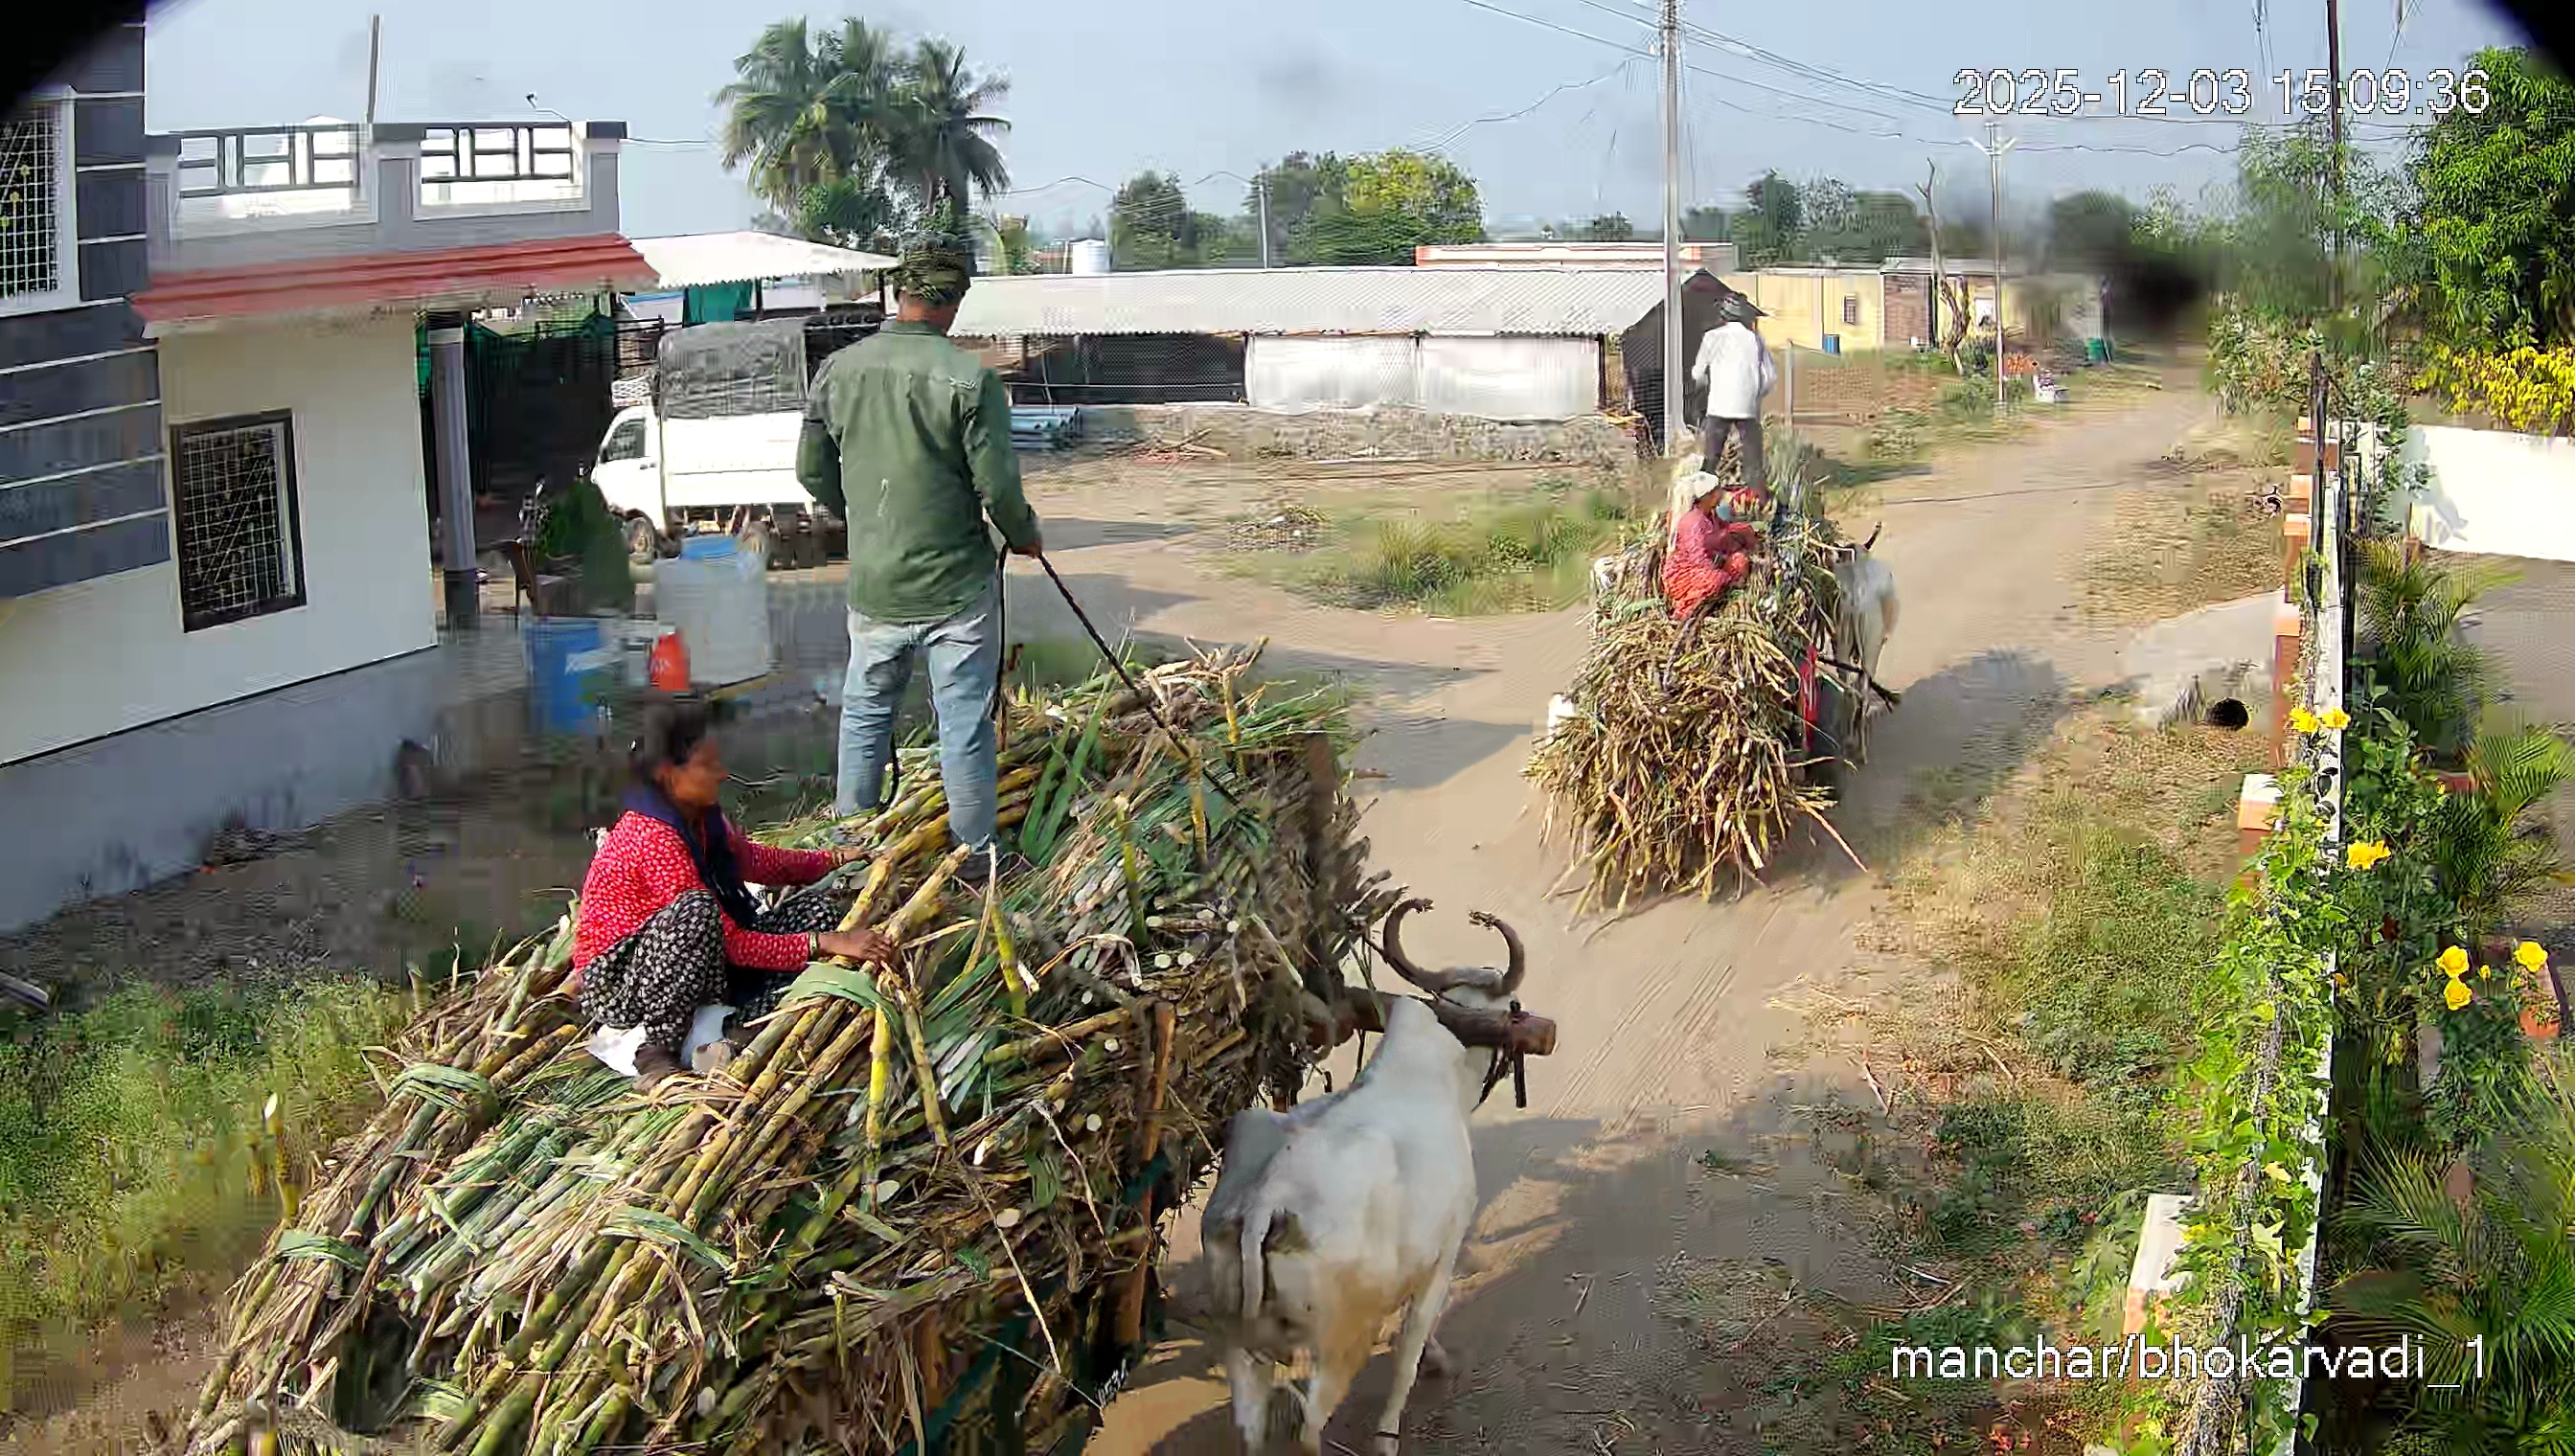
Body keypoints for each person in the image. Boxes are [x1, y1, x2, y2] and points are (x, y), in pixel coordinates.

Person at [798, 221, 1043, 861]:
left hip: (875, 583)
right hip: (956, 588)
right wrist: (1024, 537)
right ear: (953, 301)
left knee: (866, 710)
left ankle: (848, 848)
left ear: (896, 293)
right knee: (962, 721)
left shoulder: (836, 371)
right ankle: (974, 857)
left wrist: (863, 522)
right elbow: (997, 488)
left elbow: (810, 471)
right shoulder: (970, 379)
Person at [569, 701, 890, 1088]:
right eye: (708, 765)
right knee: (697, 910)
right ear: (668, 774)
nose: (722, 774)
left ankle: (737, 1028)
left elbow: (751, 859)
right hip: (623, 981)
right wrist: (825, 944)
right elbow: (728, 942)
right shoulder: (652, 836)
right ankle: (657, 1053)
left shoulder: (701, 817)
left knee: (816, 910)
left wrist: (832, 859)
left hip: (691, 962)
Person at [1691, 294, 1776, 492]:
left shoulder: (1712, 337)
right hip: (1748, 408)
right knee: (1753, 463)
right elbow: (1770, 377)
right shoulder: (1756, 340)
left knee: (1711, 460)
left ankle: (1703, 499)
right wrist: (1755, 394)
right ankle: (1758, 502)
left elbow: (1697, 373)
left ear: (1724, 315)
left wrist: (1707, 387)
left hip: (1719, 406)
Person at [1662, 470, 1766, 622]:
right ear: (1708, 496)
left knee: (1739, 561)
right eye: (1717, 491)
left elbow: (1723, 532)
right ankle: (1683, 610)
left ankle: (1725, 595)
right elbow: (1697, 560)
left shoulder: (1710, 515)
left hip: (1709, 566)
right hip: (1683, 575)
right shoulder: (1693, 523)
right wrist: (1722, 574)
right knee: (1714, 580)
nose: (1721, 494)